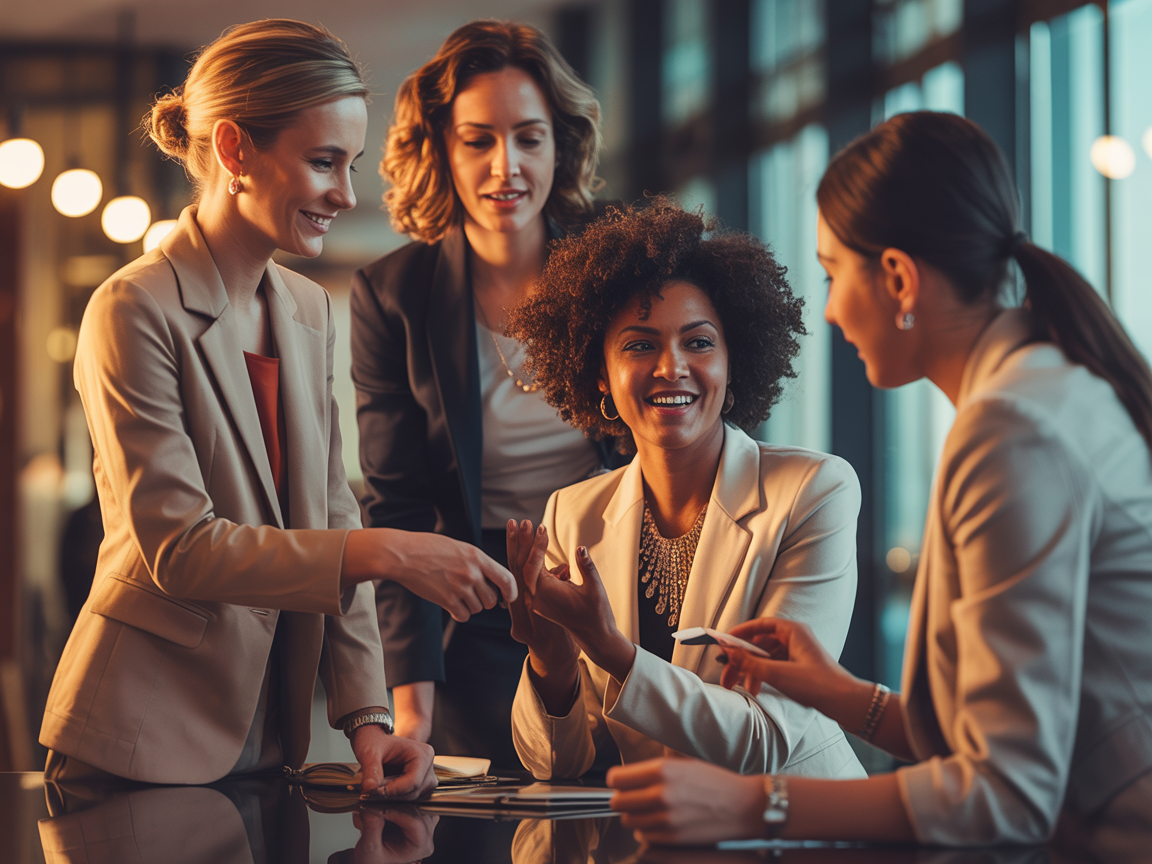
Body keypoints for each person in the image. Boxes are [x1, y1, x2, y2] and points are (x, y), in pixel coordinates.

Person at [607, 112, 1152, 853]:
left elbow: (1008, 795)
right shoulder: (1052, 392)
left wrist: (752, 805)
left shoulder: (1012, 433)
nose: (828, 311)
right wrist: (839, 693)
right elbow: (992, 740)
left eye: (833, 276)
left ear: (896, 277)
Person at [39, 19, 516, 793]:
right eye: (324, 161)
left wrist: (366, 718)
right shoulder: (131, 309)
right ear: (234, 152)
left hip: (266, 742)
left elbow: (330, 513)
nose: (346, 193)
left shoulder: (305, 309)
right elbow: (180, 548)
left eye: (351, 164)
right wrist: (389, 551)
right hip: (137, 738)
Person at [503, 198, 866, 781]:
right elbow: (557, 765)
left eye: (699, 343)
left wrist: (608, 647)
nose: (671, 367)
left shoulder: (814, 492)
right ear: (600, 370)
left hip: (801, 835)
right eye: (640, 345)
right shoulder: (573, 513)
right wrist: (551, 656)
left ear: (732, 358)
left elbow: (766, 738)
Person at [351, 20, 620, 770]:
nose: (507, 166)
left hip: (618, 604)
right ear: (441, 147)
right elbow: (398, 505)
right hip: (477, 620)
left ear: (559, 145)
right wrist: (412, 717)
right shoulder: (392, 293)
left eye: (529, 138)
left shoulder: (617, 274)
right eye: (479, 140)